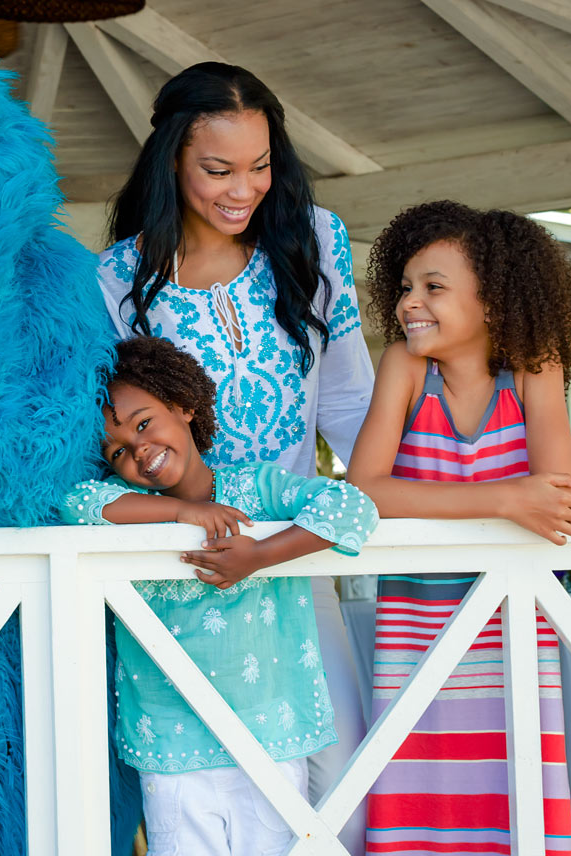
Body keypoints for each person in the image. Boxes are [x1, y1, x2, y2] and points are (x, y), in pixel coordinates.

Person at [98, 61, 375, 853]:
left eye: (260, 166)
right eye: (218, 170)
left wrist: (392, 503)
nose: (243, 190)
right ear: (171, 161)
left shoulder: (314, 239)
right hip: (186, 573)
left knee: (341, 790)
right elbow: (117, 439)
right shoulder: (117, 278)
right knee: (203, 800)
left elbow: (350, 400)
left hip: (292, 553)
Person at [61, 336, 378, 856]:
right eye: (117, 451)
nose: (138, 449)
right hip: (171, 742)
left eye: (143, 423)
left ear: (183, 406)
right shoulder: (131, 507)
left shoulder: (258, 489)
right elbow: (78, 503)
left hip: (269, 733)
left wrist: (261, 555)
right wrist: (181, 513)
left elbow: (352, 507)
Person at [346, 201, 571, 855]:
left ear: (494, 300)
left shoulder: (535, 366)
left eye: (433, 287)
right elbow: (364, 491)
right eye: (405, 287)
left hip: (510, 624)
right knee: (419, 793)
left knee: (514, 790)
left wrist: (511, 501)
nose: (409, 303)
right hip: (416, 626)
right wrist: (504, 498)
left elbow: (555, 498)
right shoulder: (404, 368)